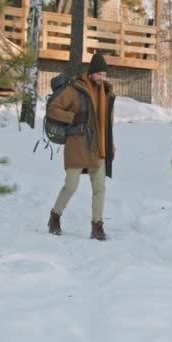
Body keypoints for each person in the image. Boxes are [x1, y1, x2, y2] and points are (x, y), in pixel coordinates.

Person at [46, 53, 116, 241]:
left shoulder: (107, 94)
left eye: (105, 75)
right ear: (91, 73)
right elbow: (53, 109)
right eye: (99, 74)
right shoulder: (75, 90)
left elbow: (107, 124)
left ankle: (97, 226)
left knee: (99, 188)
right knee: (70, 186)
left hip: (99, 147)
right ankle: (54, 217)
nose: (102, 78)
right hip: (77, 144)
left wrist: (111, 145)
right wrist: (71, 118)